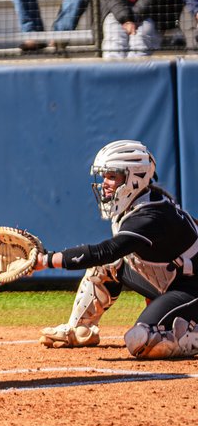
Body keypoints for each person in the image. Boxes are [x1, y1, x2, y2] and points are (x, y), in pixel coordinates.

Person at [35, 139, 198, 359]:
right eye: (105, 176)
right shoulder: (139, 204)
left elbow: (107, 250)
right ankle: (80, 329)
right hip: (175, 282)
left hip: (191, 288)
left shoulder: (150, 215)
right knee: (106, 265)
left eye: (113, 176)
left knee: (140, 340)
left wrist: (46, 260)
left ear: (135, 178)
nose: (105, 183)